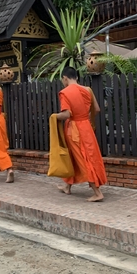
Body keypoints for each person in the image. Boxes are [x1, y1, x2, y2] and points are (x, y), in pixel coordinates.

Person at [55, 67, 106, 202]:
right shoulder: (87, 89)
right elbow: (96, 109)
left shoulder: (64, 92)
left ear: (65, 78)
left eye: (63, 80)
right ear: (76, 77)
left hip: (74, 129)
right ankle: (67, 186)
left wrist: (54, 116)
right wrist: (87, 119)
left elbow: (67, 114)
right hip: (86, 126)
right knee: (76, 156)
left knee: (83, 159)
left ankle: (97, 192)